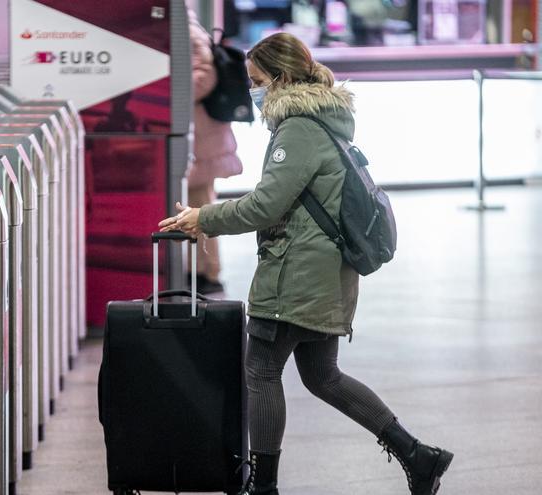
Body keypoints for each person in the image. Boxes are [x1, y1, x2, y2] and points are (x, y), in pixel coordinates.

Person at [158, 33, 453, 495]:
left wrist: (203, 218)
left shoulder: (297, 127)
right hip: (323, 272)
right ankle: (418, 455)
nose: (252, 91)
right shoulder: (323, 119)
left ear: (282, 78)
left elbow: (265, 206)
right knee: (322, 376)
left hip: (295, 275)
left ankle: (264, 487)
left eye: (257, 81)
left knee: (261, 372)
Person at [186, 9, 243, 294]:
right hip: (201, 137)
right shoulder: (186, 30)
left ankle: (207, 272)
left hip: (201, 140)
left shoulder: (189, 33)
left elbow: (203, 77)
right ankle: (198, 269)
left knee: (201, 209)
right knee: (198, 207)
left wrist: (167, 92)